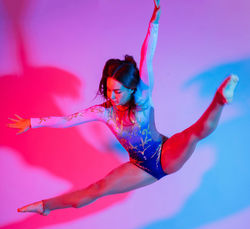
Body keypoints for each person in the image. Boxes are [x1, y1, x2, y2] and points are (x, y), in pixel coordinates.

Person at [8, 0, 239, 216]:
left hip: (164, 154)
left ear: (131, 89)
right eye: (108, 90)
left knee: (193, 134)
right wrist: (32, 123)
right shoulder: (104, 112)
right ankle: (46, 206)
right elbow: (66, 120)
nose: (112, 96)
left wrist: (154, 20)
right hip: (139, 167)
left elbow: (147, 55)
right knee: (95, 190)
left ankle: (220, 98)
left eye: (117, 91)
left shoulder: (143, 98)